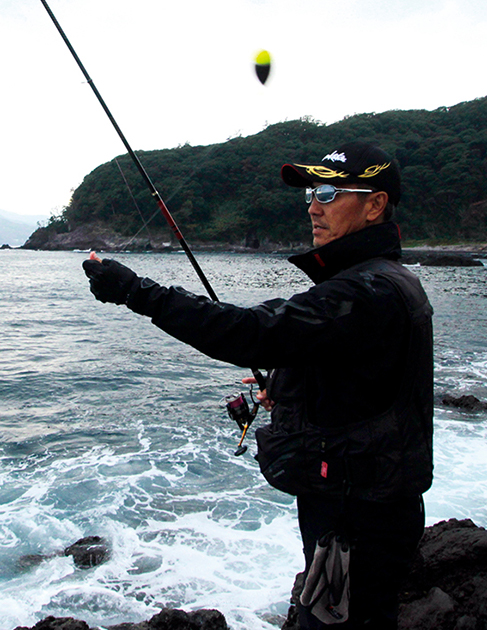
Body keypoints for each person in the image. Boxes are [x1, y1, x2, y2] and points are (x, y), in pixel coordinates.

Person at [83, 141, 433, 629]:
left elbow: (252, 331)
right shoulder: (371, 282)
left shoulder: (368, 291)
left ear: (375, 204)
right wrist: (290, 386)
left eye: (331, 193)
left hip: (359, 515)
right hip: (359, 502)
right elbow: (359, 376)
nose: (313, 205)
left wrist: (136, 292)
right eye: (312, 192)